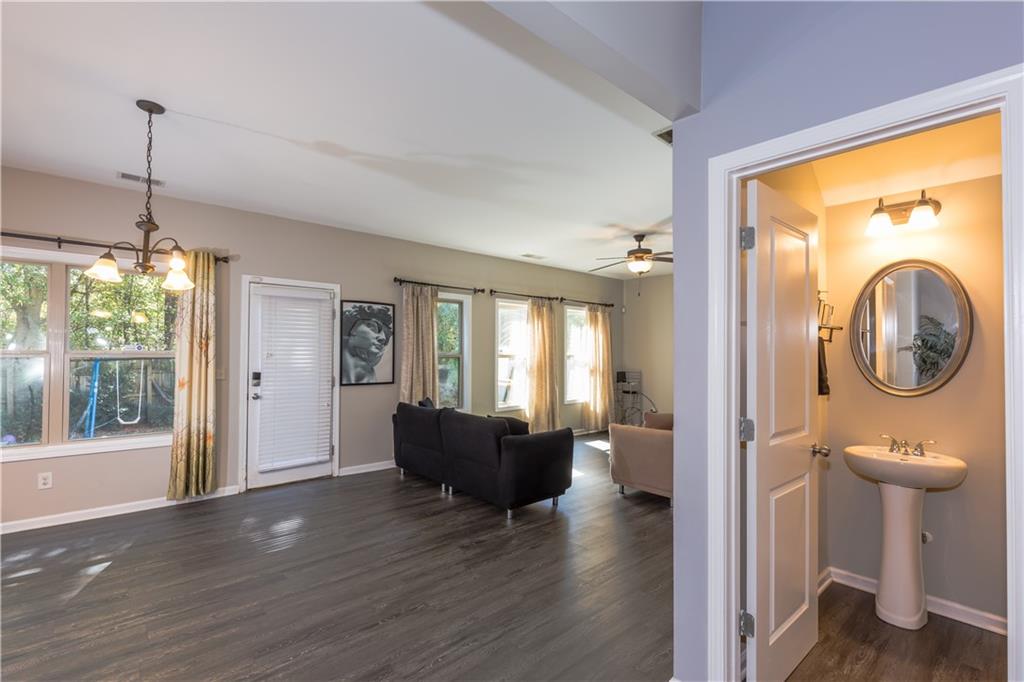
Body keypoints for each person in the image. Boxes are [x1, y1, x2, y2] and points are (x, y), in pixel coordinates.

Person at [341, 304, 393, 383]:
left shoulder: (369, 377)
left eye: (386, 335)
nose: (383, 338)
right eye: (373, 327)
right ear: (352, 329)